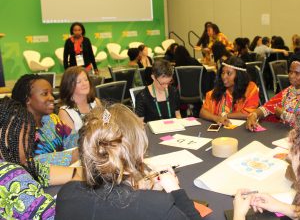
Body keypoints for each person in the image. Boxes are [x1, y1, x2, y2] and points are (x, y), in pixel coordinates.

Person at [55, 104, 202, 220]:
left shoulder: (66, 193)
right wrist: (175, 191)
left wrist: (144, 192)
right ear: (137, 155)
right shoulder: (160, 206)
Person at [0, 98, 56, 219]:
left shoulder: (16, 163)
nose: (31, 144)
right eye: (27, 138)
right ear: (4, 135)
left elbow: (44, 171)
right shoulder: (11, 175)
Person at [246, 52, 300, 128]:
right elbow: (268, 107)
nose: (291, 76)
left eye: (297, 73)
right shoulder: (288, 91)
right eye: (290, 72)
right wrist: (254, 115)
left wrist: (285, 115)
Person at [11, 74, 78, 166]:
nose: (52, 98)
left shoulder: (52, 119)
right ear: (27, 99)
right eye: (45, 94)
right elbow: (31, 162)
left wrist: (88, 142)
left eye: (51, 93)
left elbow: (71, 139)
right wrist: (74, 155)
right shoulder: (18, 130)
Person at [200, 57, 259, 125]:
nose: (224, 77)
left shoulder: (250, 88)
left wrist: (225, 115)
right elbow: (202, 112)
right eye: (222, 72)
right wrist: (216, 118)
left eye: (229, 73)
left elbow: (249, 113)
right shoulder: (219, 89)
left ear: (239, 75)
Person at [58, 66, 101, 133]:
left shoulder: (96, 102)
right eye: (79, 82)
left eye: (86, 80)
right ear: (69, 86)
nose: (84, 84)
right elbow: (71, 142)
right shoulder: (65, 112)